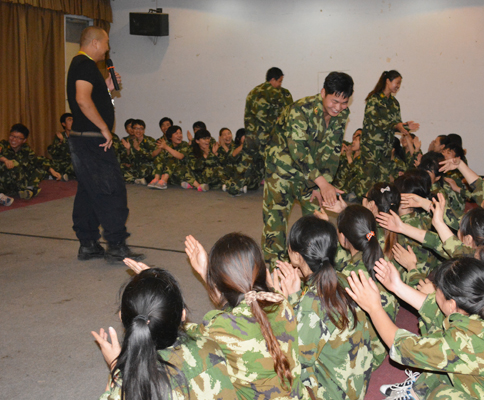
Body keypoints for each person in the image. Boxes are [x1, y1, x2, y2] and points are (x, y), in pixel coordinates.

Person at [346, 257, 484, 400]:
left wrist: (374, 308)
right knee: (443, 368)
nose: (435, 293)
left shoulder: (464, 342)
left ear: (451, 305)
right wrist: (397, 286)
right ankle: (416, 392)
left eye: (438, 290)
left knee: (441, 395)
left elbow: (402, 347)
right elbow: (434, 307)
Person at [184, 233, 306, 399]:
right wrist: (210, 276)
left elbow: (179, 329)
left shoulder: (220, 326)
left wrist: (206, 275)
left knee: (197, 365)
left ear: (219, 284)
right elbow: (242, 307)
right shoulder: (280, 301)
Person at [91, 268, 235, 400]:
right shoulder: (210, 347)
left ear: (121, 317)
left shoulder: (131, 386)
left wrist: (116, 368)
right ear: (183, 315)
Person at [274, 215, 376, 399]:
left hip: (335, 394)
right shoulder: (340, 278)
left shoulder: (311, 303)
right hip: (355, 384)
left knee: (268, 368)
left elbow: (294, 357)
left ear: (296, 255)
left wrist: (286, 302)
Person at [66, 26, 143, 262]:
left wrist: (106, 88)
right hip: (92, 141)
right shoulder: (85, 64)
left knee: (88, 191)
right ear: (95, 43)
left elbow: (91, 98)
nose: (107, 48)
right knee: (111, 190)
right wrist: (103, 129)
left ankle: (88, 243)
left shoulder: (82, 66)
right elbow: (82, 100)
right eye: (106, 43)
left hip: (84, 140)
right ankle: (116, 244)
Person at [262, 71, 354, 268]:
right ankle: (275, 270)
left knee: (315, 221)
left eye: (344, 102)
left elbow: (332, 151)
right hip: (281, 171)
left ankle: (312, 268)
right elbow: (299, 151)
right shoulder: (300, 110)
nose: (338, 107)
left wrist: (322, 184)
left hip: (312, 174)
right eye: (334, 101)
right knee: (275, 223)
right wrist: (322, 183)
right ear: (323, 93)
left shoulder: (342, 114)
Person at [355, 70, 420, 198]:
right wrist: (396, 125)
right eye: (397, 82)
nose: (398, 86)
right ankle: (363, 204)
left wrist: (405, 126)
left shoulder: (395, 103)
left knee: (383, 179)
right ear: (388, 81)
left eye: (400, 84)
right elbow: (375, 121)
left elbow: (396, 125)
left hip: (386, 148)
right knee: (367, 178)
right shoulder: (374, 99)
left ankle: (380, 204)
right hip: (371, 147)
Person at [244, 67, 293, 176]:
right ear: (273, 80)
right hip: (269, 137)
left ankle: (239, 185)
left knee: (250, 167)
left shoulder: (253, 92)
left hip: (251, 137)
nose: (280, 84)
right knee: (273, 166)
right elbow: (286, 115)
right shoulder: (277, 93)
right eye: (280, 81)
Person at [0, 123, 46, 199]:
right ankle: (29, 190)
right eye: (12, 136)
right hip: (4, 180)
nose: (14, 140)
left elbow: (35, 163)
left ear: (24, 140)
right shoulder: (3, 145)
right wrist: (5, 160)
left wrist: (51, 170)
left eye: (18, 138)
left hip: (19, 180)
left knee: (40, 163)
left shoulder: (26, 150)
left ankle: (30, 188)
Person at [147, 126, 192, 190]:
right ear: (170, 137)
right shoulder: (167, 143)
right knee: (159, 157)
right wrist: (161, 148)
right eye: (176, 133)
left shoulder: (184, 144)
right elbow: (153, 155)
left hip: (180, 172)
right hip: (168, 172)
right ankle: (156, 179)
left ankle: (164, 181)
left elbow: (180, 156)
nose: (179, 135)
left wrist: (166, 147)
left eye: (180, 133)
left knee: (172, 158)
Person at [120, 119, 157, 185]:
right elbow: (127, 161)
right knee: (120, 168)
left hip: (146, 167)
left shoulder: (150, 140)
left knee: (145, 169)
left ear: (144, 130)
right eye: (136, 128)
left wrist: (138, 149)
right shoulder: (129, 141)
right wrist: (128, 150)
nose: (138, 131)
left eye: (141, 129)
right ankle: (136, 179)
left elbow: (151, 157)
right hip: (134, 167)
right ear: (132, 129)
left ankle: (134, 178)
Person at [47, 113, 75, 180]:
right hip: (61, 162)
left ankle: (65, 176)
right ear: (64, 124)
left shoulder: (77, 136)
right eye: (69, 120)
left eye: (73, 120)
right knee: (48, 165)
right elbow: (54, 153)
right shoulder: (60, 136)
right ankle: (64, 176)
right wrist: (61, 141)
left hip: (72, 161)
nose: (72, 122)